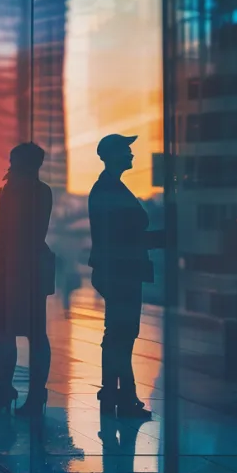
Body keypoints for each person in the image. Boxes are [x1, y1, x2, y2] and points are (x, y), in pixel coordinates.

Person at [89, 134, 162, 419]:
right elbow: (121, 236)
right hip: (122, 271)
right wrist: (158, 239)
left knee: (119, 334)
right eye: (126, 150)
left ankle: (117, 394)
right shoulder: (110, 190)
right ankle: (121, 396)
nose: (131, 154)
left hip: (120, 270)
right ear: (113, 155)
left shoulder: (110, 188)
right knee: (122, 334)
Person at [0, 142, 53, 416]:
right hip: (25, 269)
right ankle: (31, 393)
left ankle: (6, 391)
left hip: (12, 269)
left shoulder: (17, 193)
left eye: (13, 162)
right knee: (32, 334)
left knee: (7, 334)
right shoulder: (38, 191)